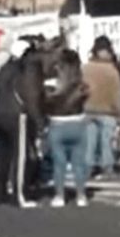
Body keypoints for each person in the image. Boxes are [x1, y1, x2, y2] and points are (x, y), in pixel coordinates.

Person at [0, 39, 45, 208]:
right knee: (20, 157)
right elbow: (31, 96)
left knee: (2, 155)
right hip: (18, 114)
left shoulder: (5, 68)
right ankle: (19, 195)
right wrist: (39, 121)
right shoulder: (28, 69)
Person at [45, 50, 90, 207]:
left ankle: (60, 196)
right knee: (79, 163)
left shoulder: (52, 84)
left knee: (59, 163)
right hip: (78, 123)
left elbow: (46, 102)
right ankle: (81, 195)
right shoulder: (81, 84)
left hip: (57, 123)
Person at [81, 36, 120, 178]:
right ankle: (107, 168)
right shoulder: (112, 71)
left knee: (89, 141)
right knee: (107, 141)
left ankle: (88, 167)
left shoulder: (85, 68)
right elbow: (118, 94)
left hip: (88, 110)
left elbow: (79, 90)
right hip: (108, 111)